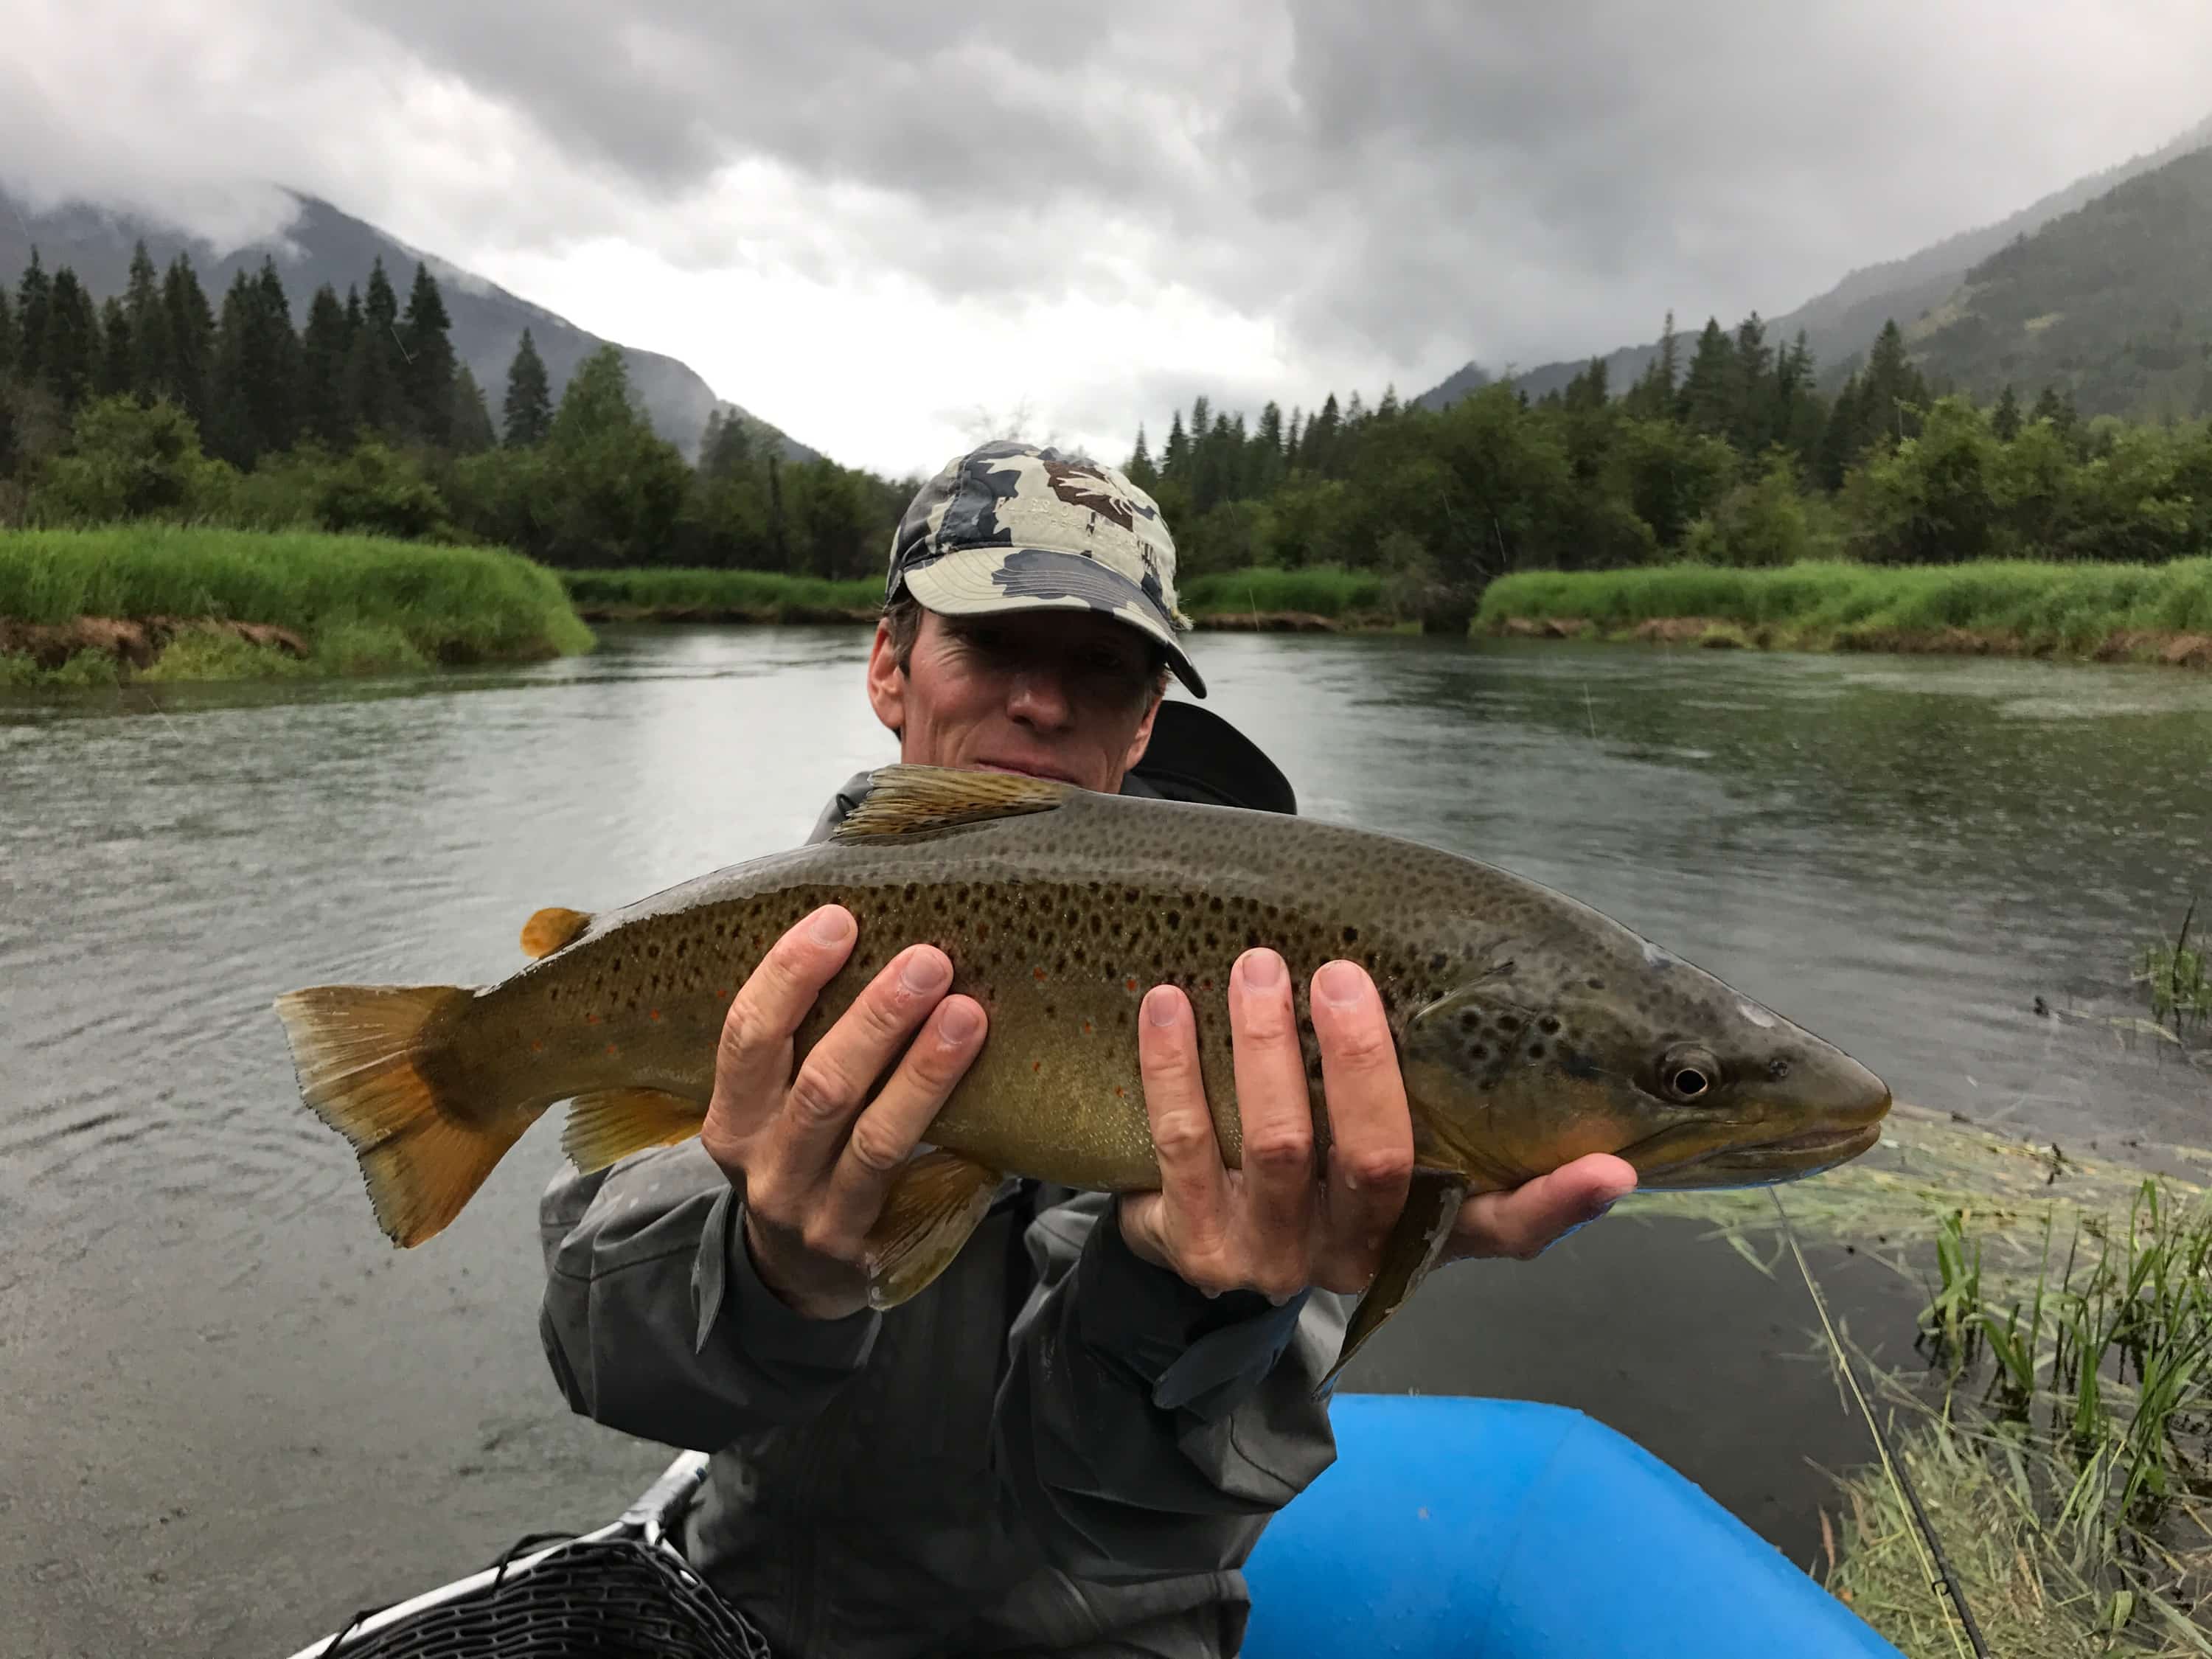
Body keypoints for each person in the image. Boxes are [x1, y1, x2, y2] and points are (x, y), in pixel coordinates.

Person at [538, 442, 1637, 1658]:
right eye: (994, 645)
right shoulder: (751, 958)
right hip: (754, 1621)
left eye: (1104, 670)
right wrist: (767, 1270)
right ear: (889, 667)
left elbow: (1123, 1510)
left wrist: (1195, 1291)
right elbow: (599, 1360)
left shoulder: (1282, 1003)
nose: (1047, 703)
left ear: (1145, 723)